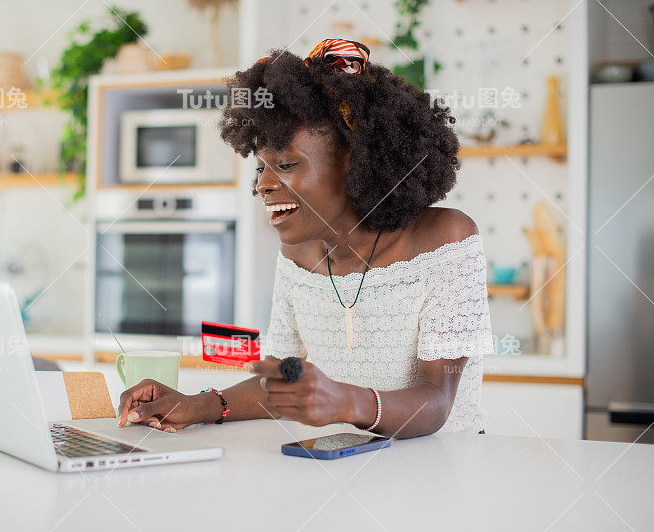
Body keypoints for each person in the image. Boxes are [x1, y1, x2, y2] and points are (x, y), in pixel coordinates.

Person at [117, 39, 493, 438]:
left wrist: (346, 402)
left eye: (287, 165)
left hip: (445, 475)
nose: (263, 184)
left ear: (356, 161)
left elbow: (436, 402)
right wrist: (195, 405)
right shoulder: (297, 254)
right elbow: (279, 382)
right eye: (261, 167)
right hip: (346, 471)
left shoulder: (445, 240)